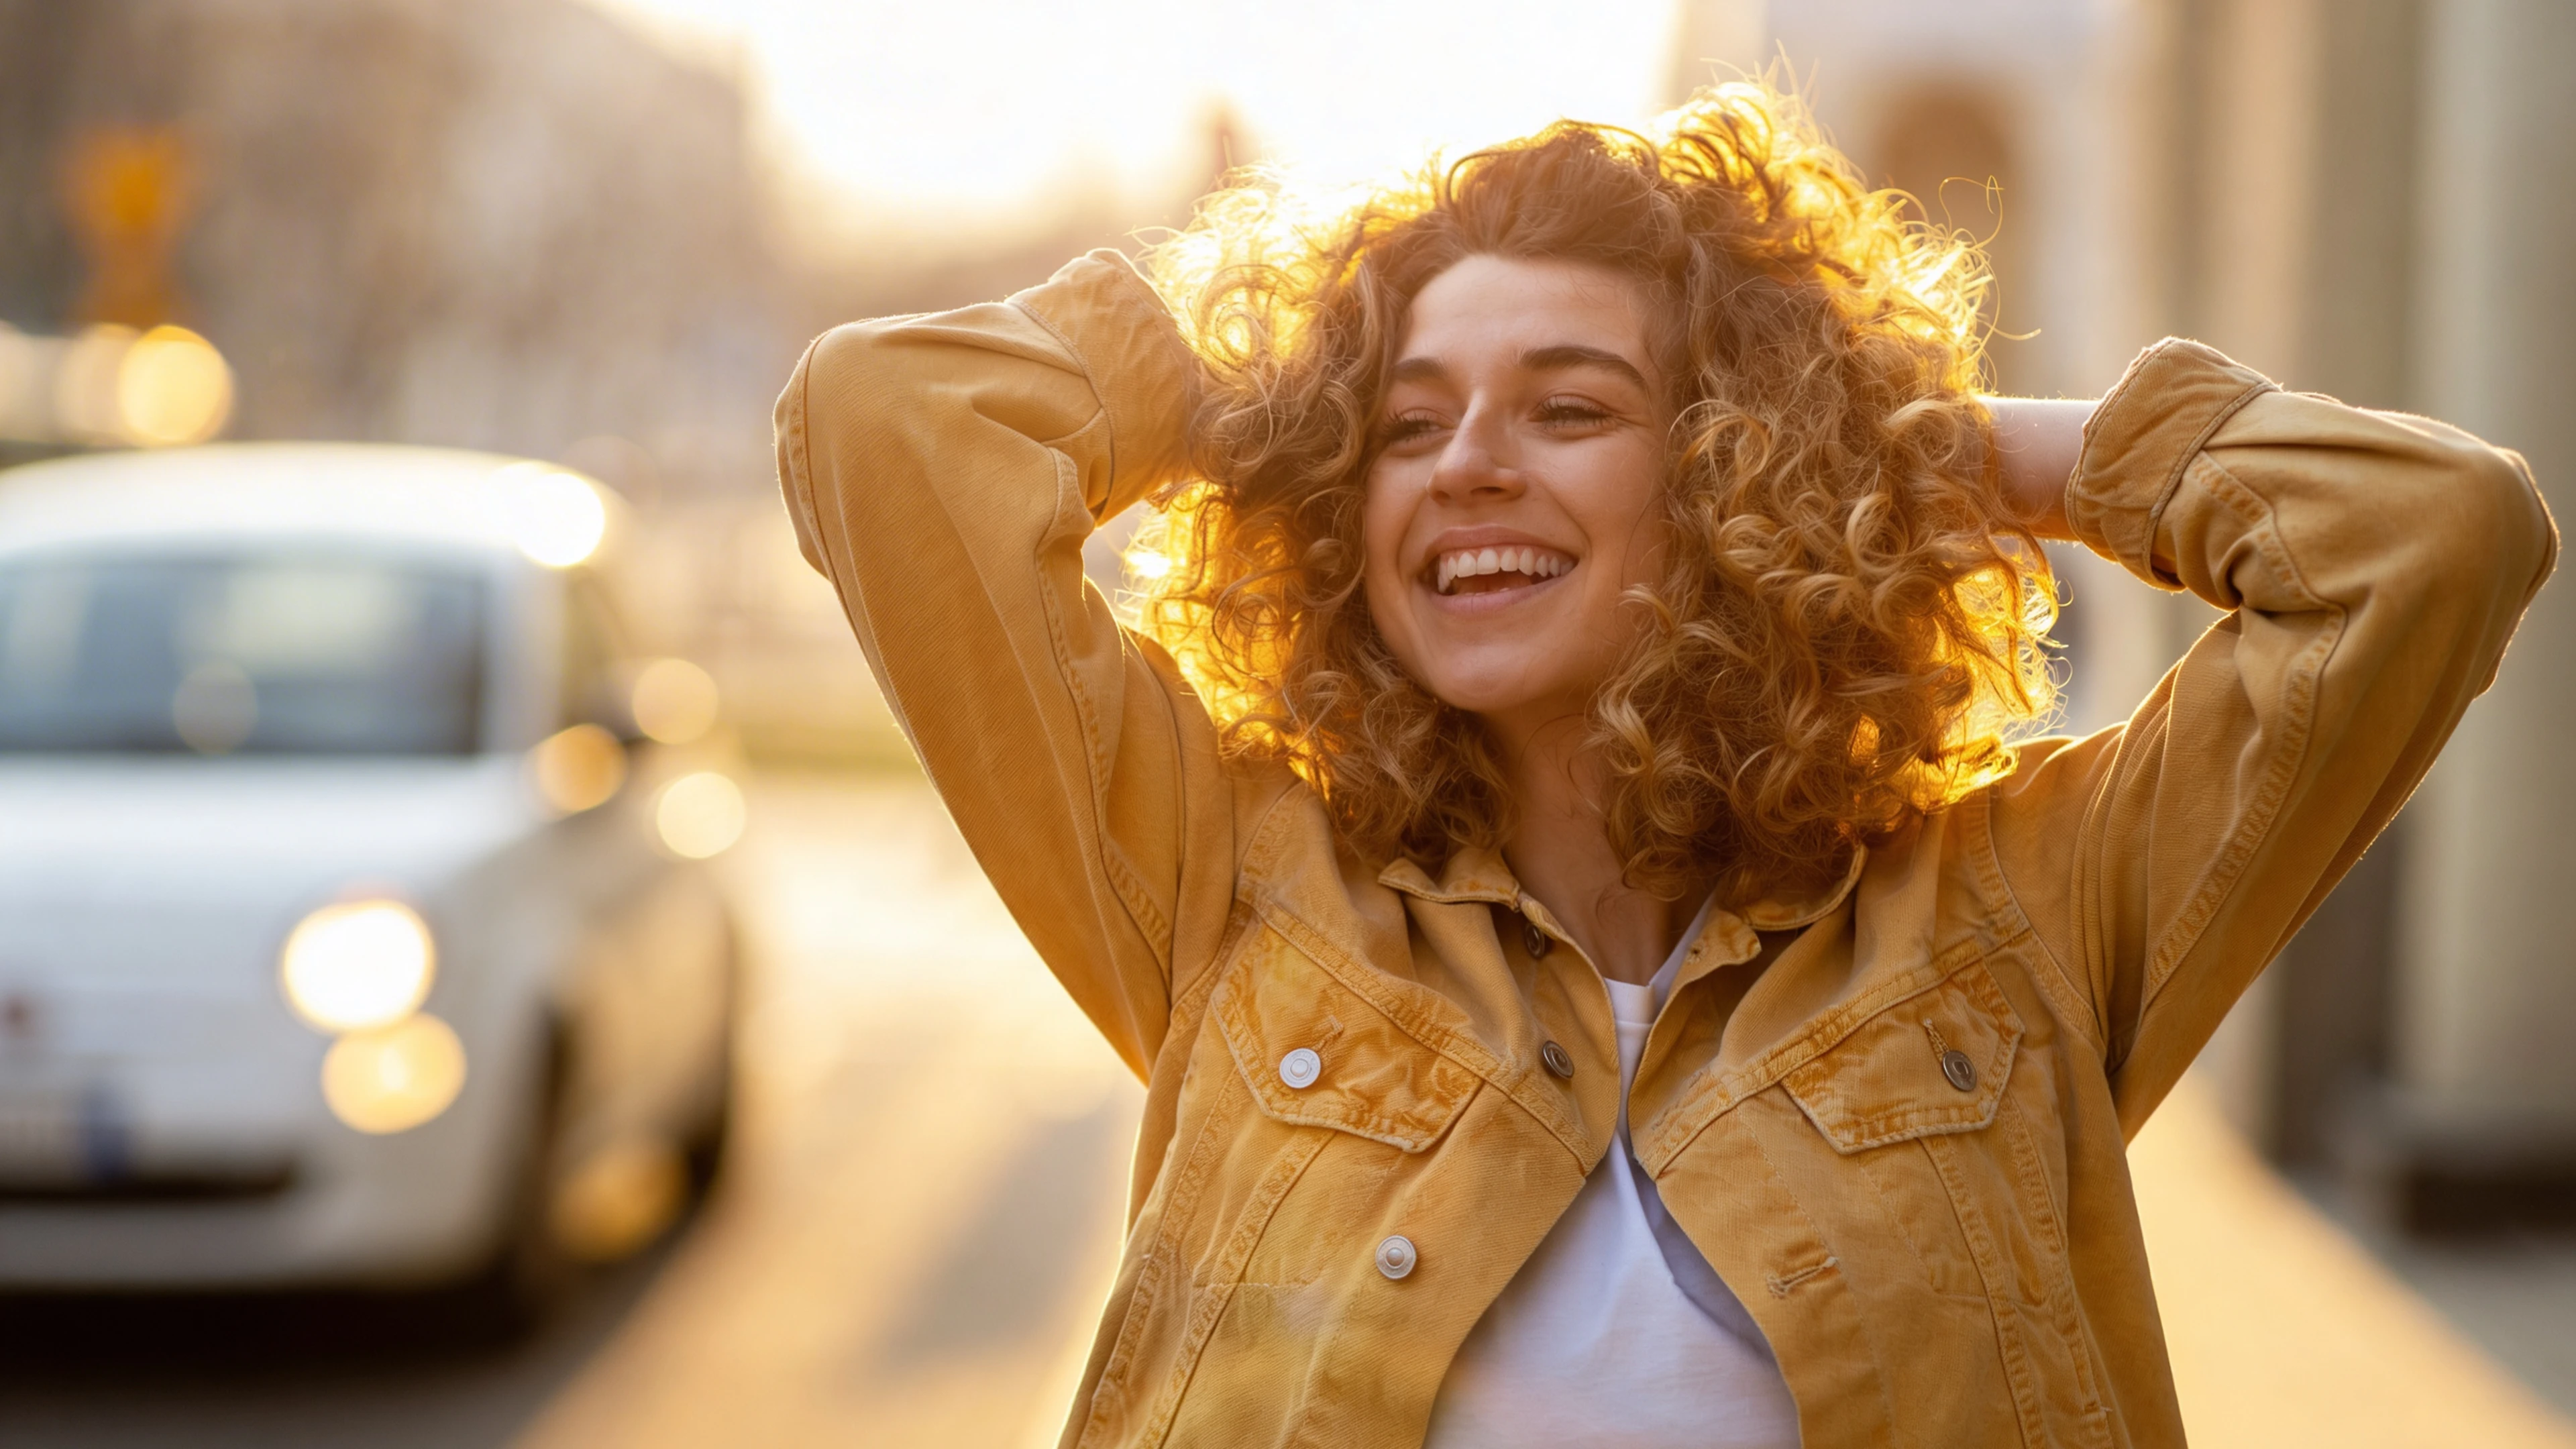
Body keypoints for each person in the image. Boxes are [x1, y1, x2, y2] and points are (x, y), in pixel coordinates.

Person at [773, 81, 2553, 1449]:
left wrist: (1933, 446)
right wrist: (1252, 421)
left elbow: (2430, 539)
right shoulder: (1236, 893)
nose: (1470, 460)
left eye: (1568, 407)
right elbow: (889, 429)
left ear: (1731, 480)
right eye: (1409, 424)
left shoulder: (2019, 922)